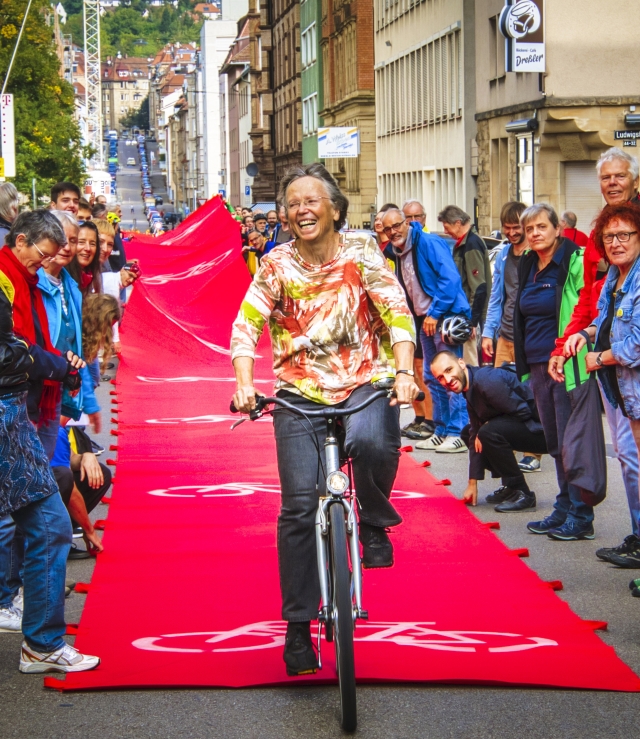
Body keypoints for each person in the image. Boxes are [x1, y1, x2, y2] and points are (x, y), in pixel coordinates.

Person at [231, 163, 420, 676]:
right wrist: (245, 384)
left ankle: (375, 522)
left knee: (376, 441)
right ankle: (297, 628)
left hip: (365, 379)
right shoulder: (275, 265)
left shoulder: (362, 252)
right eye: (292, 203)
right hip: (299, 392)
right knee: (296, 508)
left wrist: (403, 373)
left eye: (312, 201)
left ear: (335, 209)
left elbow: (397, 312)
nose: (301, 210)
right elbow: (246, 325)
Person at [0, 267, 99, 673]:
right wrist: (35, 358)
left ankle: (40, 639)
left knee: (47, 523)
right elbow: (8, 350)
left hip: (14, 410)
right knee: (47, 523)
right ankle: (41, 641)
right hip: (8, 413)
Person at [550, 148, 640, 561]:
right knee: (627, 456)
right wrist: (574, 339)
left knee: (633, 457)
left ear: (633, 179)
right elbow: (593, 302)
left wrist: (600, 355)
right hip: (611, 368)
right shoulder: (599, 235)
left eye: (620, 176)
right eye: (606, 178)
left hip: (621, 362)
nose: (613, 184)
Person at [513, 203, 593, 541]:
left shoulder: (572, 260)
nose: (534, 234)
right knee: (554, 441)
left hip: (565, 363)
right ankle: (563, 506)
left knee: (570, 441)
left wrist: (561, 351)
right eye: (529, 229)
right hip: (536, 364)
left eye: (541, 227)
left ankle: (581, 514)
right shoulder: (529, 262)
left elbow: (582, 308)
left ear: (557, 229)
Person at [381, 208, 470, 453]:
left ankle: (459, 431)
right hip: (424, 319)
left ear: (407, 222)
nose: (392, 232)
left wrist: (435, 313)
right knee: (433, 377)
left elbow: (450, 281)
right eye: (387, 229)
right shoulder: (398, 250)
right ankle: (441, 430)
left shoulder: (429, 242)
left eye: (396, 226)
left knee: (452, 375)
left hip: (443, 317)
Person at [431, 351, 546, 510]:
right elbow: (473, 434)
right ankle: (511, 486)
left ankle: (522, 492)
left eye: (449, 370)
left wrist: (485, 427)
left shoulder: (486, 380)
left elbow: (524, 412)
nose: (447, 380)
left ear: (461, 363)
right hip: (525, 428)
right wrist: (472, 483)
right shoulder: (470, 387)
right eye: (440, 377)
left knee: (488, 432)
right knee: (469, 432)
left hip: (544, 433)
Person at [481, 201, 542, 474]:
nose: (512, 233)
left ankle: (533, 451)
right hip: (504, 335)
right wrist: (487, 333)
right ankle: (503, 444)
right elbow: (497, 297)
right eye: (507, 228)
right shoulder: (504, 253)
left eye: (517, 227)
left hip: (530, 336)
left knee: (531, 394)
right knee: (497, 393)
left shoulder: (537, 254)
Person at [38, 211, 101, 433]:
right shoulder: (33, 283)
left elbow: (77, 352)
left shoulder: (71, 287)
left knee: (45, 458)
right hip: (34, 390)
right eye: (61, 239)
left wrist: (90, 403)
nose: (66, 246)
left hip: (59, 391)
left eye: (72, 240)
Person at [437, 205, 492, 366]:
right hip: (468, 315)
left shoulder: (471, 245)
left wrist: (472, 322)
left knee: (470, 364)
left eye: (447, 227)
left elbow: (479, 287)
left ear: (458, 223)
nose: (446, 232)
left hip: (470, 315)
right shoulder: (467, 243)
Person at [67, 220, 102, 297]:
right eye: (81, 242)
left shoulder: (93, 277)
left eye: (92, 244)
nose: (88, 248)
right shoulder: (62, 279)